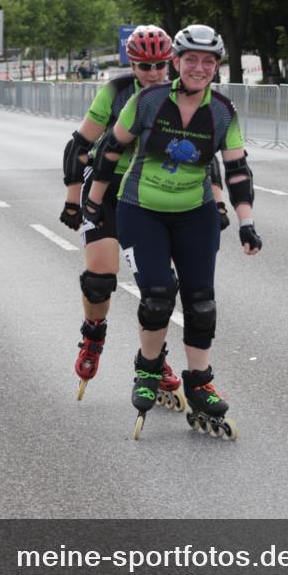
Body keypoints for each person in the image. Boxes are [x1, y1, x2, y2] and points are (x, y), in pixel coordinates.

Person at [84, 24, 262, 440]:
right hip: (140, 209)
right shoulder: (147, 101)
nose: (199, 68)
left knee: (201, 302)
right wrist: (91, 200)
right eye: (191, 60)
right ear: (176, 63)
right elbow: (111, 148)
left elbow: (237, 170)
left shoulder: (222, 111)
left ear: (216, 67)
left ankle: (199, 384)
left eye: (208, 61)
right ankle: (148, 370)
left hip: (195, 213)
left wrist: (246, 221)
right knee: (158, 296)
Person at [60, 26, 186, 403]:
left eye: (161, 65)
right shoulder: (116, 92)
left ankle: (154, 359)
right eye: (145, 66)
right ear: (132, 65)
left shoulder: (182, 95)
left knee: (159, 290)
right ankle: (93, 335)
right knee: (99, 281)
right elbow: (78, 145)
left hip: (149, 193)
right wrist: (72, 200)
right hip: (105, 188)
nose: (154, 73)